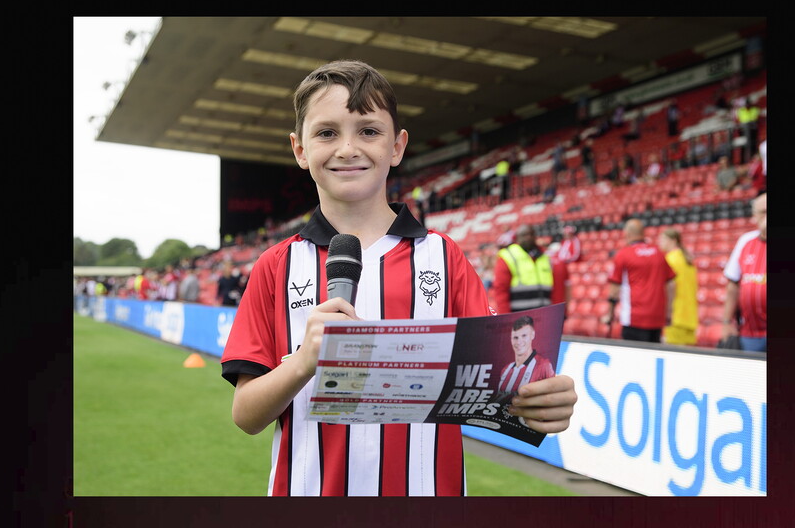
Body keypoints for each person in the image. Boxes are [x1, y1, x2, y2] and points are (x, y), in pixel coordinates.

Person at [219, 60, 576, 497]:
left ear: (397, 146)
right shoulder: (276, 264)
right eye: (327, 132)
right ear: (299, 149)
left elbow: (499, 387)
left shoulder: (446, 258)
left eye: (368, 131)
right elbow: (246, 415)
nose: (348, 148)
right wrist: (302, 361)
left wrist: (543, 403)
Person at [601, 219, 676, 343]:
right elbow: (671, 284)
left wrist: (610, 314)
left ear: (627, 233)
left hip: (634, 318)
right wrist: (669, 313)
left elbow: (614, 289)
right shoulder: (658, 252)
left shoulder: (623, 254)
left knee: (634, 359)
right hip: (657, 317)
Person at [722, 192, 767, 352]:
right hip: (751, 334)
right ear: (755, 216)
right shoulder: (745, 241)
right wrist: (726, 322)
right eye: (763, 212)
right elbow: (732, 286)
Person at [491, 224, 566, 314]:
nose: (528, 237)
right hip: (519, 315)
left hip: (544, 314)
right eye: (524, 235)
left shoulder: (545, 257)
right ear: (517, 238)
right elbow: (501, 290)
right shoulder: (508, 256)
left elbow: (556, 288)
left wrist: (557, 313)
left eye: (531, 234)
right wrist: (505, 317)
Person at [493, 315, 557, 403]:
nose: (519, 342)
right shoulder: (506, 369)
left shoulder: (544, 365)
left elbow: (553, 398)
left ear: (532, 335)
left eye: (524, 336)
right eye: (515, 337)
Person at [657, 229, 698, 346]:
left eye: (663, 239)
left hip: (675, 317)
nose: (660, 243)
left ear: (673, 240)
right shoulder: (688, 259)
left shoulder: (670, 259)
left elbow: (669, 287)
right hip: (690, 317)